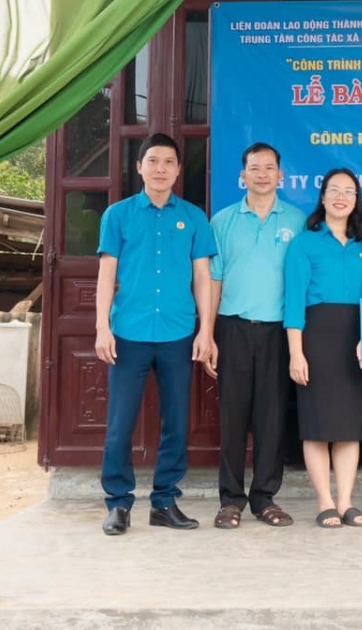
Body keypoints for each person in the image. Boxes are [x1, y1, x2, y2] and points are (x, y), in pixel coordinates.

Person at [95, 134, 217, 536]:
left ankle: (165, 501)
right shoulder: (118, 214)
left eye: (168, 162)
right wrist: (102, 327)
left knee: (176, 422)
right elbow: (106, 274)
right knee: (120, 423)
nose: (161, 168)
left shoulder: (195, 218)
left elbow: (202, 276)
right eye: (153, 161)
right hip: (128, 332)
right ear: (140, 167)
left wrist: (206, 330)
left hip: (178, 332)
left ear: (179, 170)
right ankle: (118, 504)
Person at [207, 142, 306, 529]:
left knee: (271, 416)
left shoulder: (298, 222)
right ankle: (230, 500)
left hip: (277, 332)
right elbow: (213, 280)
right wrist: (209, 333)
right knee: (232, 416)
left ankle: (265, 498)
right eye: (254, 168)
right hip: (231, 327)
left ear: (281, 175)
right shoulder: (223, 221)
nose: (262, 174)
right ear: (242, 175)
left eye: (269, 168)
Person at [283, 168, 362, 529]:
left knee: (349, 427)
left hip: (354, 342)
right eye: (334, 190)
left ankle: (346, 501)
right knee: (318, 426)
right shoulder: (304, 243)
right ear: (322, 197)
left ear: (356, 201)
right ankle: (324, 502)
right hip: (315, 339)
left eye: (349, 192)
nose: (341, 197)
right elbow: (293, 302)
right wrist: (296, 352)